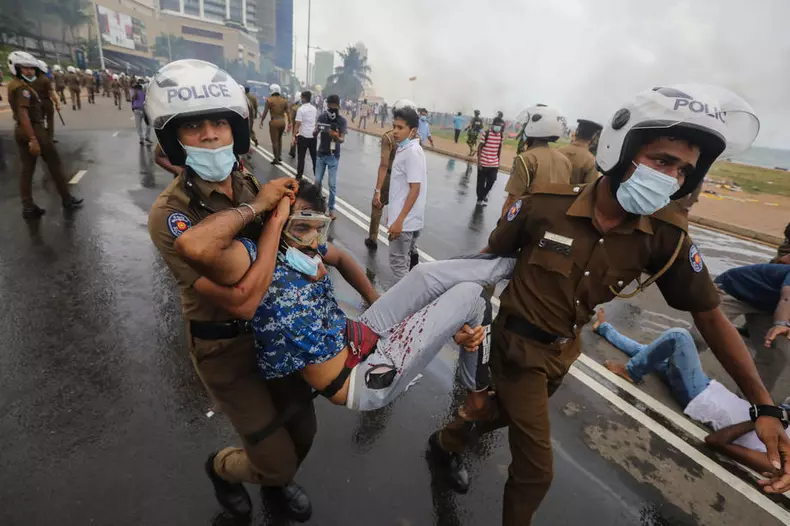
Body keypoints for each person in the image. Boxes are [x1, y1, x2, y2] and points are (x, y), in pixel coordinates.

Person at [430, 84, 790, 525]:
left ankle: (447, 440)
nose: (671, 177)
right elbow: (488, 262)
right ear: (625, 149)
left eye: (683, 170)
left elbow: (711, 316)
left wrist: (765, 406)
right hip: (514, 347)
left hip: (562, 354)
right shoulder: (545, 204)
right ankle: (455, 443)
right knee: (536, 470)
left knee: (500, 417)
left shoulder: (664, 236)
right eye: (662, 160)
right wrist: (461, 322)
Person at [174, 177, 514, 427]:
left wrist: (376, 300)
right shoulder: (253, 257)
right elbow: (194, 247)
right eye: (302, 226)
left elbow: (344, 259)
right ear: (277, 222)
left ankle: (510, 262)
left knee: (424, 275)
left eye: (318, 228)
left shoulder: (306, 248)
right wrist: (265, 210)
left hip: (358, 334)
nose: (313, 241)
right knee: (469, 295)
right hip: (358, 377)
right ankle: (477, 398)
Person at [145, 59, 315, 522]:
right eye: (193, 126)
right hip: (224, 349)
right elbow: (242, 296)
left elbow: (276, 250)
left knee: (303, 428)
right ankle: (224, 469)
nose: (210, 134)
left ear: (235, 130)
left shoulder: (247, 181)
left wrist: (302, 237)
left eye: (219, 122)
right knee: (274, 456)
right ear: (172, 139)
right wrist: (265, 210)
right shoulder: (171, 215)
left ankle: (274, 480)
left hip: (271, 334)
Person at [591, 309, 790, 473]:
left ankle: (631, 372)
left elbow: (716, 441)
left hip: (697, 398)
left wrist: (761, 417)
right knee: (652, 352)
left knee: (679, 338)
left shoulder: (778, 462)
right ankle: (604, 328)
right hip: (709, 388)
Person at [6, 51, 83, 219]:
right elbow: (23, 113)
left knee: (27, 169)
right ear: (16, 68)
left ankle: (28, 205)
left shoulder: (15, 84)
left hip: (22, 129)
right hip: (34, 129)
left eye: (32, 68)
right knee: (54, 164)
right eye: (25, 68)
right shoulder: (22, 89)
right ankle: (66, 199)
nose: (30, 72)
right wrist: (33, 138)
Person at [500, 104, 572, 217]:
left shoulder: (525, 159)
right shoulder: (565, 160)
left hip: (528, 222)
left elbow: (512, 199)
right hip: (552, 221)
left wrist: (501, 228)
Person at [366, 100, 415, 251]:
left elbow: (384, 165)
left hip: (390, 177)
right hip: (407, 180)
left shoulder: (388, 137)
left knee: (377, 206)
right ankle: (411, 247)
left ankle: (373, 237)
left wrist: (377, 190)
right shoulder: (415, 137)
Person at [388, 106, 427, 282]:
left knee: (399, 266)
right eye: (394, 126)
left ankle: (403, 307)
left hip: (404, 222)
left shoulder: (411, 152)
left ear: (412, 131)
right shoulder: (406, 148)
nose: (395, 131)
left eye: (400, 128)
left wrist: (399, 221)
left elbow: (415, 189)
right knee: (406, 262)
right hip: (406, 219)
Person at [313, 94, 347, 219]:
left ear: (338, 106)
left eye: (334, 106)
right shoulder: (322, 117)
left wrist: (336, 136)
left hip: (333, 156)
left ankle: (331, 209)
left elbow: (342, 139)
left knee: (332, 185)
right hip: (321, 154)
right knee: (317, 182)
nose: (331, 108)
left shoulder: (342, 121)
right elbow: (314, 133)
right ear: (327, 105)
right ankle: (317, 206)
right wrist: (316, 131)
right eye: (329, 105)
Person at [558, 119, 603, 184]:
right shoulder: (590, 161)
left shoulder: (558, 151)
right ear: (593, 137)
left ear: (576, 133)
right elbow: (589, 189)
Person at [476, 116, 504, 206]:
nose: (498, 127)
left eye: (500, 126)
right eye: (497, 125)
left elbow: (499, 149)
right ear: (493, 125)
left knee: (492, 180)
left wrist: (498, 162)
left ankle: (483, 194)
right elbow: (480, 148)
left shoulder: (501, 135)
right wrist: (479, 162)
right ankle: (479, 198)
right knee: (481, 182)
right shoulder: (486, 133)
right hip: (483, 162)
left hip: (494, 164)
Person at [260, 83, 289, 165]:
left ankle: (276, 159)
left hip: (274, 122)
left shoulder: (269, 100)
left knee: (274, 141)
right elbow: (288, 112)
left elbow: (265, 112)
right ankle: (279, 156)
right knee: (279, 140)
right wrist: (289, 122)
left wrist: (262, 121)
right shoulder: (284, 100)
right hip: (282, 122)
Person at [31, 60, 59, 143]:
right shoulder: (45, 79)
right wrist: (57, 103)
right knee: (50, 120)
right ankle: (50, 137)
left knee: (40, 120)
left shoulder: (31, 79)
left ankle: (41, 136)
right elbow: (51, 93)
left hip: (36, 102)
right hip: (46, 101)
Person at [293, 90, 318, 180]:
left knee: (301, 157)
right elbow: (315, 122)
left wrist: (294, 135)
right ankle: (317, 176)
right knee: (314, 157)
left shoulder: (301, 109)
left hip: (303, 136)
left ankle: (299, 176)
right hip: (312, 136)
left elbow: (297, 124)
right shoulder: (314, 109)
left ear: (303, 98)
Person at [131, 80, 152, 146]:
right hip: (143, 110)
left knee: (138, 126)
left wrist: (133, 109)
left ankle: (141, 138)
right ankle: (147, 136)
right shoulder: (144, 94)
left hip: (136, 110)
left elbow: (132, 103)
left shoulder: (134, 94)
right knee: (148, 124)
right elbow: (147, 102)